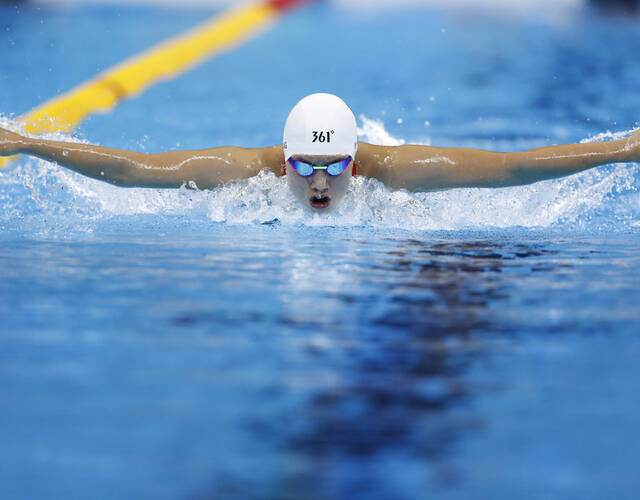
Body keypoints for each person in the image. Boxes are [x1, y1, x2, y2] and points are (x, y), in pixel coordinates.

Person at [1, 93, 639, 213]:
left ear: (356, 162)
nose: (319, 184)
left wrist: (620, 149)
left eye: (336, 168)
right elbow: (134, 172)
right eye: (305, 167)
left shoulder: (399, 173)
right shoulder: (241, 173)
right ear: (284, 160)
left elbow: (511, 168)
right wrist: (27, 144)